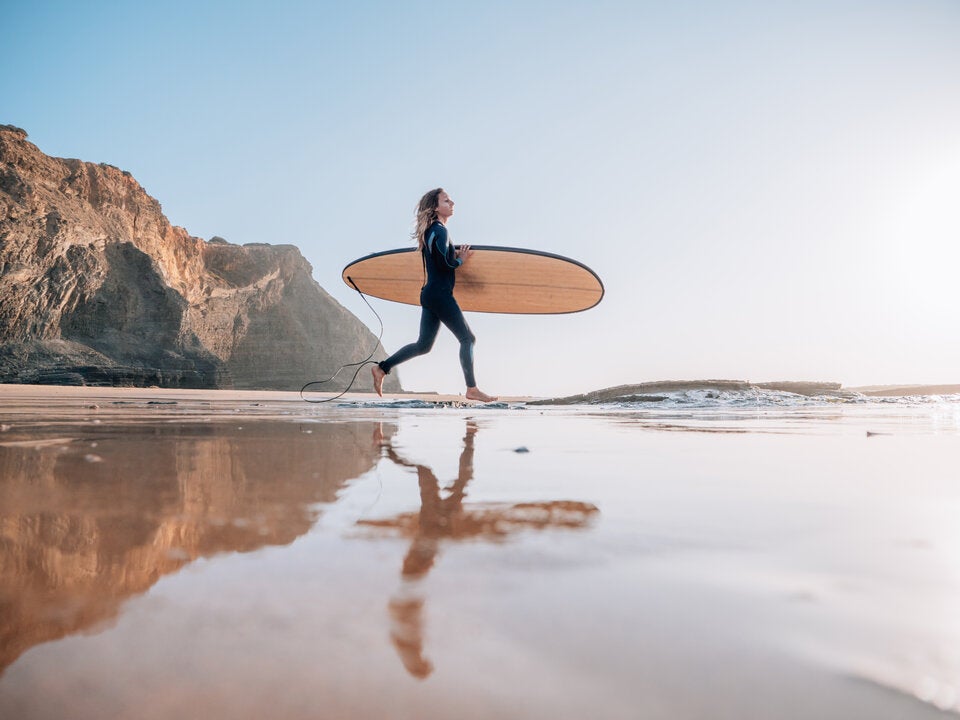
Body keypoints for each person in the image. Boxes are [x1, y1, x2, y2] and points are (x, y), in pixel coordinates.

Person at [372, 188, 497, 402]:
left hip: (430, 294)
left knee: (423, 345)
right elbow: (445, 264)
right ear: (436, 207)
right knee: (468, 339)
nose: (452, 203)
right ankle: (472, 389)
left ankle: (382, 369)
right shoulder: (439, 230)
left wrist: (452, 252)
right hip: (439, 294)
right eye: (446, 201)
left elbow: (438, 259)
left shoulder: (431, 231)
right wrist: (461, 259)